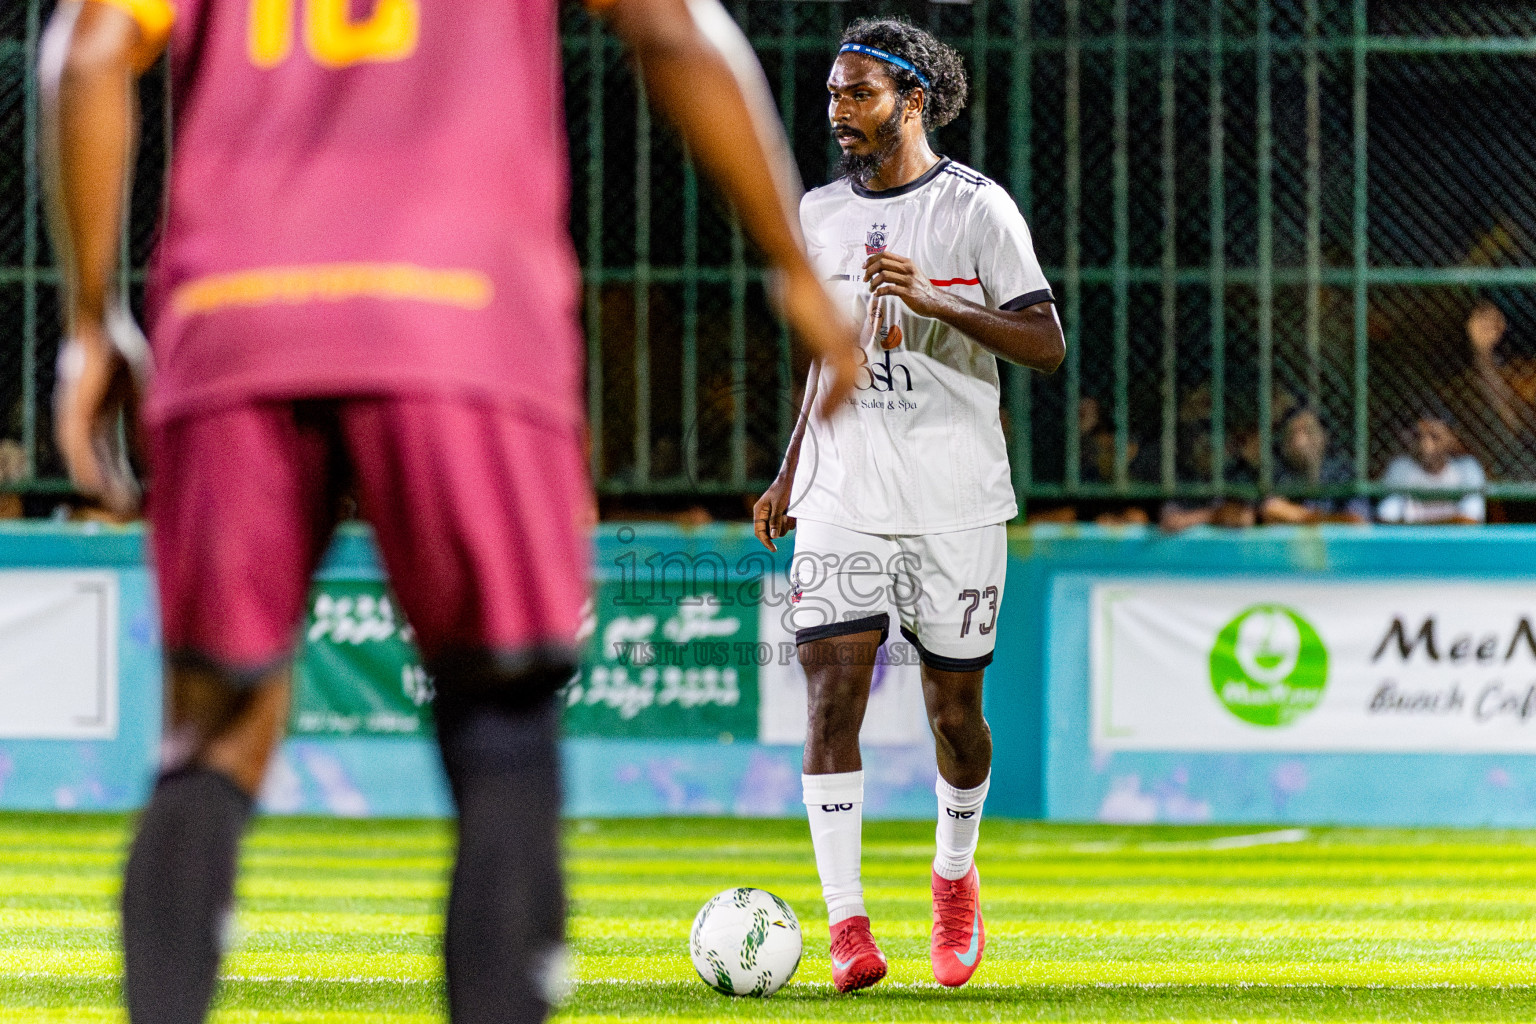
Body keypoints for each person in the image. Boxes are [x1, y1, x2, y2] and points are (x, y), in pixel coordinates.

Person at [39, 0, 858, 1021]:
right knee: (501, 710)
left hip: (229, 315)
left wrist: (90, 316)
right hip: (461, 313)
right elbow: (677, 31)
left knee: (209, 729)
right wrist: (793, 265)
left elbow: (86, 50)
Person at [752, 18, 1064, 994]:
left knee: (955, 715)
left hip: (956, 496)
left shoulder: (978, 209)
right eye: (833, 94)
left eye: (858, 94)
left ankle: (954, 876)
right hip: (845, 491)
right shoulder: (817, 215)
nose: (838, 111)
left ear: (912, 98)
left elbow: (1045, 341)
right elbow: (821, 353)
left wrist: (938, 303)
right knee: (832, 693)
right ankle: (847, 925)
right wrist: (791, 468)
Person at [1259, 408, 1370, 525]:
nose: (1299, 442)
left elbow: (1358, 521)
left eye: (1308, 431)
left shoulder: (1342, 473)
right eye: (1291, 434)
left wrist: (1302, 516)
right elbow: (1270, 510)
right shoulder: (1279, 474)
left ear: (1324, 436)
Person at [1377, 413, 1486, 524]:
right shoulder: (1402, 467)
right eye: (1419, 436)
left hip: (1453, 540)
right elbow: (1386, 518)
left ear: (1451, 438)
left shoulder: (1467, 467)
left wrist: (1414, 525)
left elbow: (1469, 520)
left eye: (1435, 437)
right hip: (1411, 541)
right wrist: (1449, 522)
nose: (1425, 446)